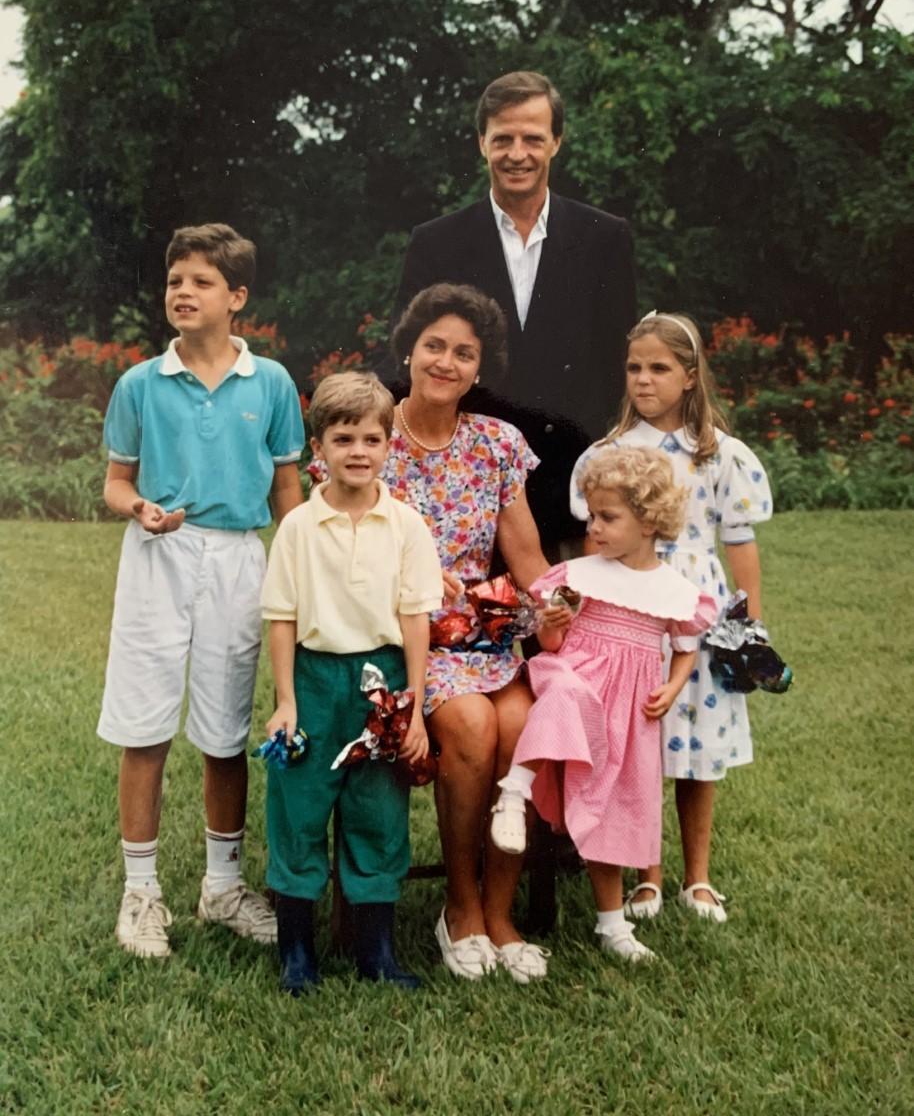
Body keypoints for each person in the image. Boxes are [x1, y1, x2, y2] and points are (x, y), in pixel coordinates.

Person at [319, 283, 552, 982]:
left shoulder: (497, 444)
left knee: (527, 728)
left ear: (479, 368)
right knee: (476, 728)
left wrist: (560, 612)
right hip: (405, 641)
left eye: (464, 352)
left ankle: (500, 911)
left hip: (485, 637)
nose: (446, 362)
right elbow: (336, 546)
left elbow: (529, 557)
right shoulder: (369, 433)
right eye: (434, 346)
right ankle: (459, 907)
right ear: (410, 351)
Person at [97, 222, 305, 958]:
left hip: (238, 560)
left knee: (223, 730)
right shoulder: (140, 384)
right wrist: (141, 509)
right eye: (174, 281)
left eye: (201, 282)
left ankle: (222, 887)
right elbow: (116, 482)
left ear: (237, 297)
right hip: (158, 557)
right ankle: (141, 891)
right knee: (144, 721)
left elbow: (287, 484)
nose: (183, 293)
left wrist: (300, 564)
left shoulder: (271, 382)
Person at [570, 311, 774, 923]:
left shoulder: (719, 455)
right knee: (641, 741)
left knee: (698, 749)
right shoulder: (610, 454)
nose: (644, 379)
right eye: (634, 367)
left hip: (700, 613)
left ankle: (698, 877)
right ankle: (646, 877)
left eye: (659, 368)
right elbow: (595, 543)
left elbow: (740, 546)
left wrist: (750, 628)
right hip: (632, 612)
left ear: (689, 377)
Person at [391, 70, 637, 554]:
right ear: (482, 143)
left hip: (574, 486)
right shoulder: (436, 242)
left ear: (556, 142)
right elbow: (403, 356)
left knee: (569, 629)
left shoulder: (605, 238)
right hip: (465, 493)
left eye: (533, 138)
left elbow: (619, 361)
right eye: (503, 139)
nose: (517, 154)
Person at [491, 447, 716, 963]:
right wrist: (550, 628)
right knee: (566, 692)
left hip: (627, 712)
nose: (594, 528)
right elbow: (550, 649)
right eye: (592, 515)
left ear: (649, 521)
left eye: (608, 517)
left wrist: (675, 685)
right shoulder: (579, 576)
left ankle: (612, 925)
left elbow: (685, 648)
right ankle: (514, 791)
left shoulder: (673, 590)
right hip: (570, 678)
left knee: (612, 811)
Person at [261, 371, 443, 993]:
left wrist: (414, 708)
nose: (358, 451)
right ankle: (297, 953)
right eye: (344, 439)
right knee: (300, 809)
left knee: (378, 812)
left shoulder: (406, 527)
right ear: (320, 449)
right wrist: (286, 702)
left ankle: (377, 953)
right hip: (314, 679)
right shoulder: (297, 529)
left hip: (383, 685)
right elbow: (281, 618)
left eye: (372, 438)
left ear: (390, 446)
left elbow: (415, 620)